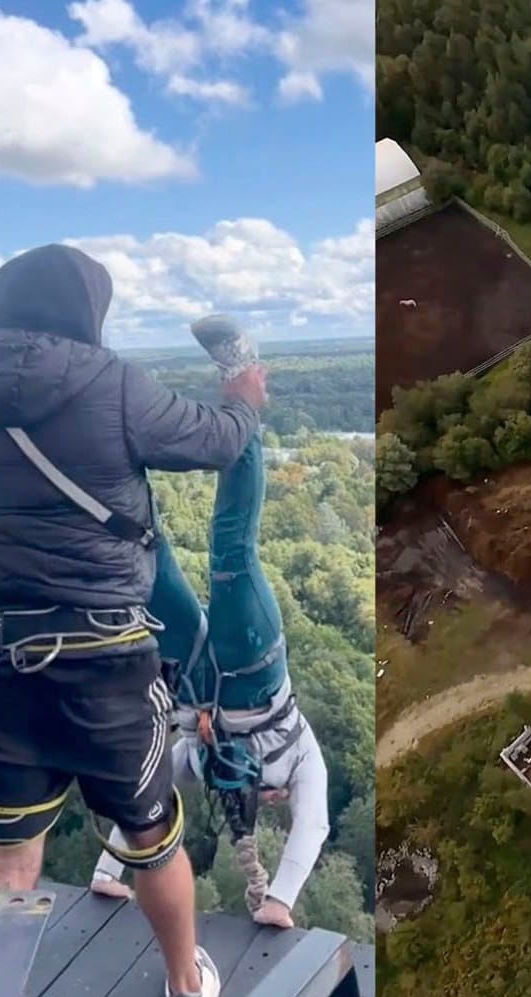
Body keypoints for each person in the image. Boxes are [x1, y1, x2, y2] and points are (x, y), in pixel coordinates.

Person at [0, 246, 265, 997]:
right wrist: (244, 394)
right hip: (101, 662)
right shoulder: (108, 380)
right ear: (86, 309)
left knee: (10, 865)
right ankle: (188, 990)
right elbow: (217, 442)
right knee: (152, 833)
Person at [88, 317, 332, 934]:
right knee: (231, 552)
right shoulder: (303, 759)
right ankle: (240, 375)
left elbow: (147, 789)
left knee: (151, 565)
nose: (272, 796)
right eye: (272, 796)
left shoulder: (198, 764)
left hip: (197, 681)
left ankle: (99, 424)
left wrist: (107, 871)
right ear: (274, 795)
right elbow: (317, 823)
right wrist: (281, 896)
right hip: (255, 672)